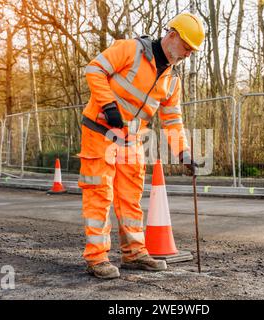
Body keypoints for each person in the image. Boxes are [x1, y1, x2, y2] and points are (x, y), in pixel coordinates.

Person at [79, 12, 205, 279]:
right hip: (100, 130)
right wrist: (108, 104)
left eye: (192, 52)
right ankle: (97, 258)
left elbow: (172, 120)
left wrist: (183, 153)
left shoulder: (172, 80)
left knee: (130, 198)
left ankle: (134, 253)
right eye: (186, 48)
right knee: (99, 194)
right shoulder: (131, 50)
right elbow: (94, 69)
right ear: (172, 36)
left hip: (131, 140)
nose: (187, 55)